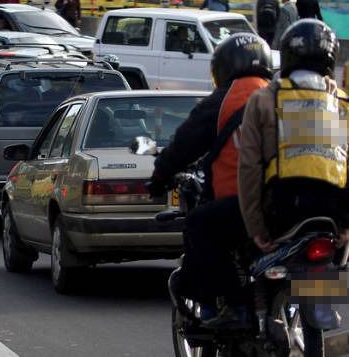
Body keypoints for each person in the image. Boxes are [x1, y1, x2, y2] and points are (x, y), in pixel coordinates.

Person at [148, 34, 273, 325]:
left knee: (198, 225)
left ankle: (234, 307)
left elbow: (183, 145)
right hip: (289, 205)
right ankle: (320, 306)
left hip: (240, 205)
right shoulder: (282, 95)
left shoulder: (223, 101)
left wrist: (158, 178)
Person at [238, 20, 349, 256]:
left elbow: (249, 168)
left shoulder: (263, 99)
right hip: (335, 212)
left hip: (281, 210)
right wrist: (346, 225)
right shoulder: (339, 101)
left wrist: (256, 229)